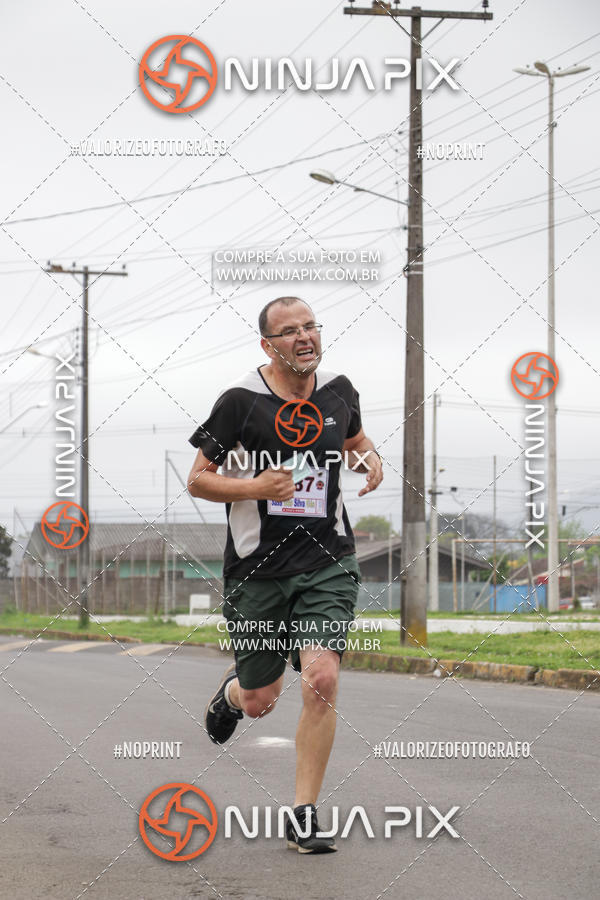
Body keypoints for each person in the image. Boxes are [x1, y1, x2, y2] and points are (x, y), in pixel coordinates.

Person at [187, 296, 383, 853]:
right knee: (262, 700)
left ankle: (303, 815)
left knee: (321, 680)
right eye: (290, 331)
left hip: (328, 562)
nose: (304, 337)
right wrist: (256, 487)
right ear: (268, 345)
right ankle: (231, 694)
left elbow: (352, 438)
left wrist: (369, 459)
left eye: (311, 327)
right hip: (259, 573)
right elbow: (199, 479)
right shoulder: (241, 403)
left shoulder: (339, 392)